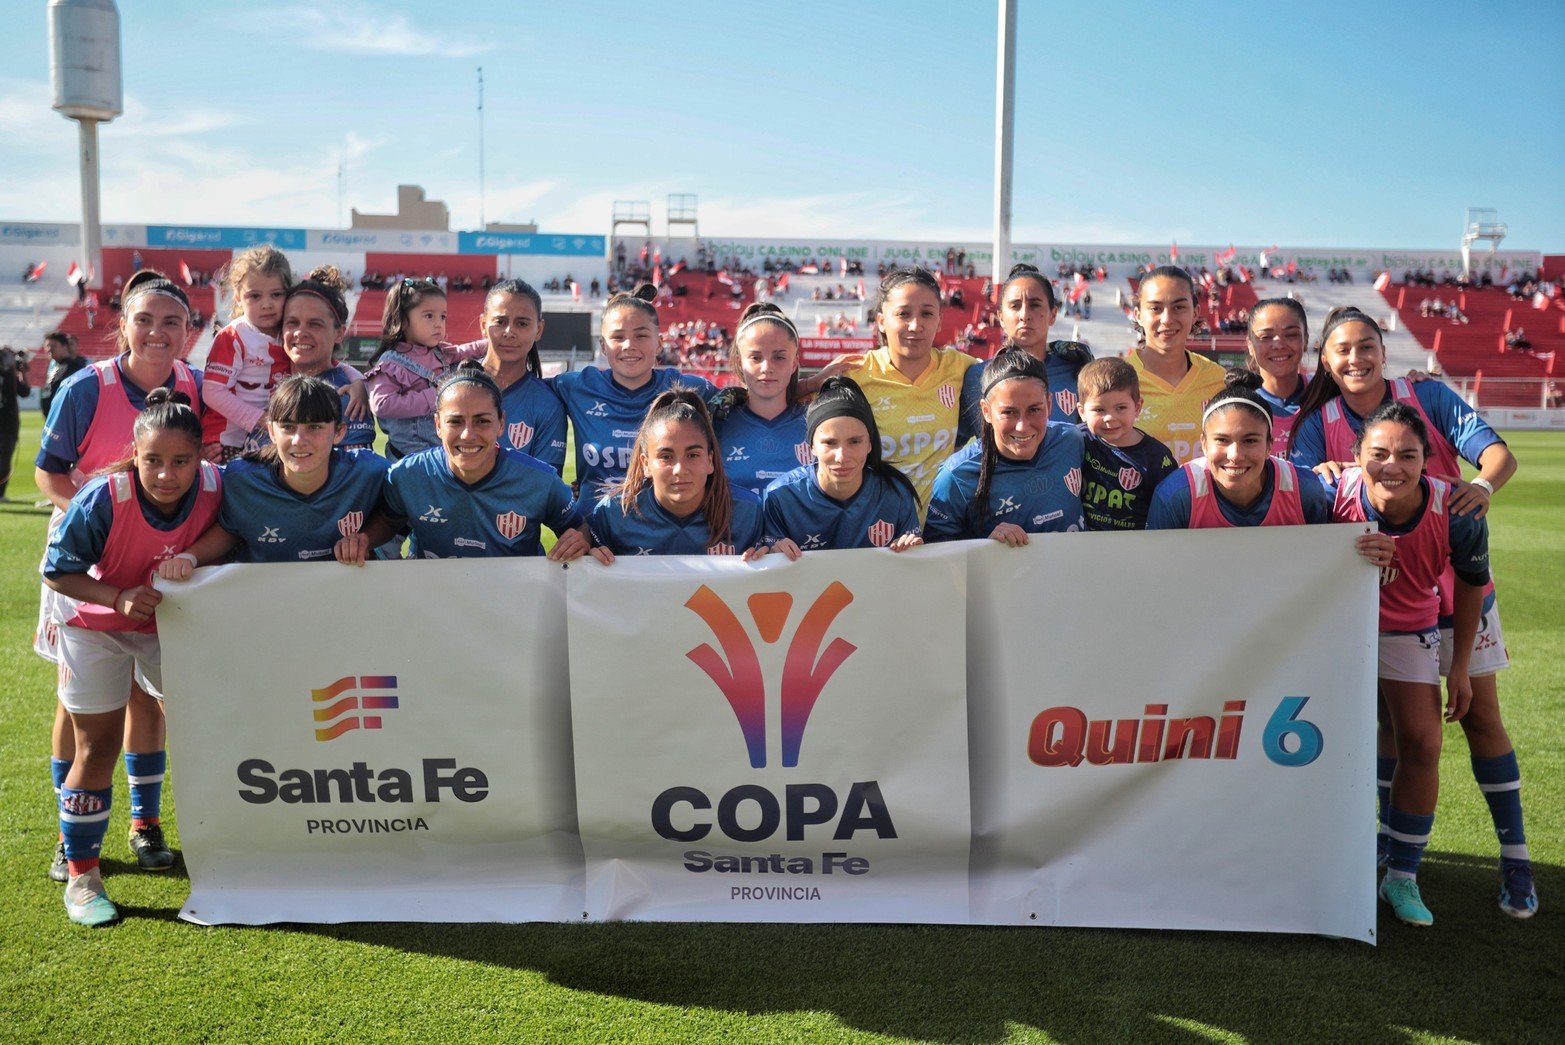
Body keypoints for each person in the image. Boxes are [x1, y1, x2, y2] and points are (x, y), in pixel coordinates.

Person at [1290, 306, 1533, 918]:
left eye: (1366, 345)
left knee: (1478, 720)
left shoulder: (1425, 395)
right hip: (1383, 597)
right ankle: (1391, 853)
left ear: (1383, 348)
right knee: (1392, 726)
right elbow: (1309, 492)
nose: (1355, 358)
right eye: (1341, 349)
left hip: (1457, 583)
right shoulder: (1319, 421)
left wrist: (1482, 487)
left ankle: (1516, 860)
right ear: (1325, 358)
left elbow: (1496, 457)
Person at [34, 269, 203, 882]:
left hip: (154, 571)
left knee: (148, 700)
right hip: (86, 565)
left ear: (190, 330)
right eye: (145, 319)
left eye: (172, 322)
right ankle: (68, 838)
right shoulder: (87, 386)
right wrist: (98, 514)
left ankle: (143, 821)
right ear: (123, 325)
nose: (158, 332)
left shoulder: (196, 385)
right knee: (81, 707)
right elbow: (49, 473)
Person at [42, 389, 222, 924]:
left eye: (181, 461)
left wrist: (193, 555)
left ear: (201, 458)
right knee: (95, 746)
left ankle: (149, 825)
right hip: (93, 625)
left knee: (195, 729)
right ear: (135, 454)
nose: (167, 474)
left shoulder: (217, 487)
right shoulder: (103, 496)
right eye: (153, 460)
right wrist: (116, 596)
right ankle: (82, 875)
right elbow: (58, 571)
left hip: (165, 623)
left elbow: (230, 532)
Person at [1331, 404, 1488, 926]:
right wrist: (1343, 553)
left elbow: (1470, 588)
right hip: (1332, 630)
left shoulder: (1457, 511)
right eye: (1377, 453)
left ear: (1426, 460)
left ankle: (1402, 875)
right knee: (1330, 740)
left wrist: (1459, 667)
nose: (1391, 465)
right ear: (1356, 457)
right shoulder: (1330, 493)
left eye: (1407, 454)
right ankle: (1343, 848)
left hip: (1406, 631)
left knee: (1421, 742)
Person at [344, 363, 588, 562]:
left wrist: (581, 540)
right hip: (437, 605)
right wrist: (365, 539)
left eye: (482, 421)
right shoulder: (407, 475)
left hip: (514, 606)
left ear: (501, 423)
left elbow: (578, 528)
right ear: (438, 425)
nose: (468, 434)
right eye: (455, 421)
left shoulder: (540, 480)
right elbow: (389, 519)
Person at [159, 376, 389, 569]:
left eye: (315, 427)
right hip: (265, 601)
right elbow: (231, 527)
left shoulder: (369, 471)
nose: (299, 440)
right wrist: (190, 557)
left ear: (339, 433)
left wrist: (366, 538)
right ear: (270, 431)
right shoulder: (240, 479)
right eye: (288, 427)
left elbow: (393, 516)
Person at [549, 284, 716, 497]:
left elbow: (745, 404)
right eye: (618, 337)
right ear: (602, 345)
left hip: (660, 526)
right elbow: (524, 389)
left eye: (641, 336)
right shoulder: (578, 386)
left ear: (659, 343)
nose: (629, 345)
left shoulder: (689, 388)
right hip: (592, 526)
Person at [843, 267, 980, 511]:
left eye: (927, 314)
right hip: (878, 530)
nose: (916, 325)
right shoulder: (854, 374)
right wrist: (810, 383)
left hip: (942, 530)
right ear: (882, 321)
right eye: (903, 314)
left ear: (939, 321)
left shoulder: (959, 366)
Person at [587, 388, 768, 560]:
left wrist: (776, 553)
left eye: (693, 455)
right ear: (646, 464)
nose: (680, 469)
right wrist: (585, 555)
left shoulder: (747, 512)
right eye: (666, 457)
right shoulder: (613, 513)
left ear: (710, 461)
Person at [925, 349, 1085, 543]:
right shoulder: (956, 477)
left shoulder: (1072, 441)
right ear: (986, 411)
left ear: (1049, 404)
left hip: (1072, 572)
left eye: (1034, 409)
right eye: (1009, 412)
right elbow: (938, 553)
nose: (1022, 426)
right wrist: (987, 546)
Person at [1148, 370, 1332, 529]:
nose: (1235, 455)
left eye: (1250, 440)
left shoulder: (1305, 491)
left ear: (1269, 445)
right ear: (1204, 444)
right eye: (1222, 440)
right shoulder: (1176, 495)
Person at [762, 376, 921, 552]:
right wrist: (772, 552)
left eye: (854, 442)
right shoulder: (780, 497)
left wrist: (913, 550)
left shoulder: (895, 494)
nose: (842, 457)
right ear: (811, 446)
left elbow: (910, 570)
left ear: (870, 443)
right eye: (830, 443)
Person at [453, 279, 568, 474]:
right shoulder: (451, 389)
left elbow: (545, 486)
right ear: (483, 324)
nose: (509, 332)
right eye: (500, 322)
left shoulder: (548, 405)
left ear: (538, 329)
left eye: (522, 323)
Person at [199, 245, 291, 463]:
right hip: (226, 443)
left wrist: (356, 381)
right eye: (254, 296)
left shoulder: (291, 334)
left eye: (276, 294)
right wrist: (259, 419)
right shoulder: (232, 337)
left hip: (268, 439)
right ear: (238, 297)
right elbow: (212, 392)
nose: (266, 304)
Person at [707, 301, 811, 496]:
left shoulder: (817, 425)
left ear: (794, 363)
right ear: (740, 362)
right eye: (755, 357)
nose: (766, 368)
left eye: (779, 357)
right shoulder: (715, 424)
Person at [1127, 265, 1228, 465]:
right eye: (1155, 308)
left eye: (1179, 307)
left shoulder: (1218, 381)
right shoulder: (1119, 381)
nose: (1167, 319)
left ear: (1196, 312)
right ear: (1138, 314)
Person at [270, 267, 374, 450]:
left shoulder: (347, 396)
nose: (300, 332)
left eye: (315, 324)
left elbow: (358, 472)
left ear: (340, 334)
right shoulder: (259, 378)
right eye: (292, 322)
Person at [1076, 357, 1178, 531]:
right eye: (1099, 410)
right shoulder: (1076, 440)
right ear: (1082, 411)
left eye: (1121, 408)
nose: (1110, 418)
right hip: (1084, 547)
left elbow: (1170, 511)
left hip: (1136, 549)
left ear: (1137, 407)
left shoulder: (1156, 457)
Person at [366, 278, 462, 459]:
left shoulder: (440, 352)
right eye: (429, 316)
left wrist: (491, 342)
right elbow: (381, 404)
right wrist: (434, 396)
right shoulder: (390, 363)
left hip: (441, 457)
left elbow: (465, 351)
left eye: (443, 317)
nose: (438, 324)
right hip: (407, 460)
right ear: (403, 321)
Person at [994, 263, 1094, 422]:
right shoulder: (976, 376)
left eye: (1035, 305)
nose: (1024, 315)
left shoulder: (1078, 372)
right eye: (1015, 306)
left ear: (1053, 314)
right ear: (1001, 318)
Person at [1244, 298, 1310, 457]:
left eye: (1291, 335)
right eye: (1266, 337)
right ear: (1250, 346)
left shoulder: (1325, 394)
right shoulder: (1238, 403)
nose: (1279, 344)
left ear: (1306, 340)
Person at [39, 331, 88, 419]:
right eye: (47, 346)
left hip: (65, 421)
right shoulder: (56, 366)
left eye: (53, 346)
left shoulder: (73, 367)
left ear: (64, 347)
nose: (49, 349)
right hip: (54, 419)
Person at [1, 343, 28, 502]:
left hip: (7, 421)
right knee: (4, 458)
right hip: (7, 422)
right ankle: (0, 493)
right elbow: (25, 391)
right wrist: (21, 372)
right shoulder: (10, 374)